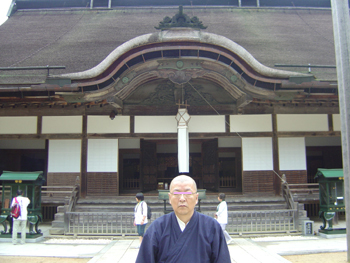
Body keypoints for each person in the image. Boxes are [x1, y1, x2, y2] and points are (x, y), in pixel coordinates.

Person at [136, 175, 231, 263]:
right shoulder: (157, 228)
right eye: (177, 193)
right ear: (170, 197)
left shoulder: (212, 227)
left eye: (188, 193)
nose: (182, 198)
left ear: (196, 198)